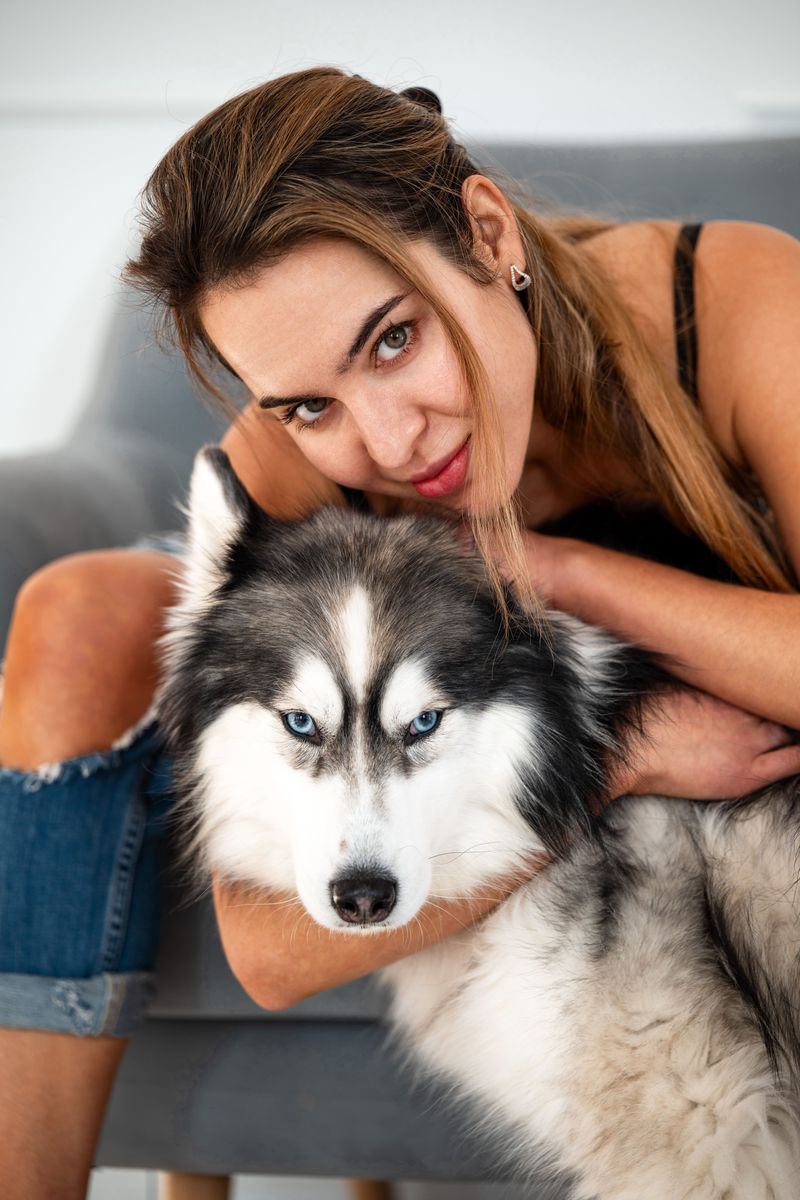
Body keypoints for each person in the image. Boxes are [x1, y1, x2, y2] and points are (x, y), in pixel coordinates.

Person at [1, 65, 800, 1200]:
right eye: (307, 403)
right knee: (76, 613)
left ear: (488, 234)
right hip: (350, 671)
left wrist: (560, 569)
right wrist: (618, 761)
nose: (389, 443)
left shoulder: (724, 302)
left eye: (392, 340)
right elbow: (271, 953)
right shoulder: (293, 461)